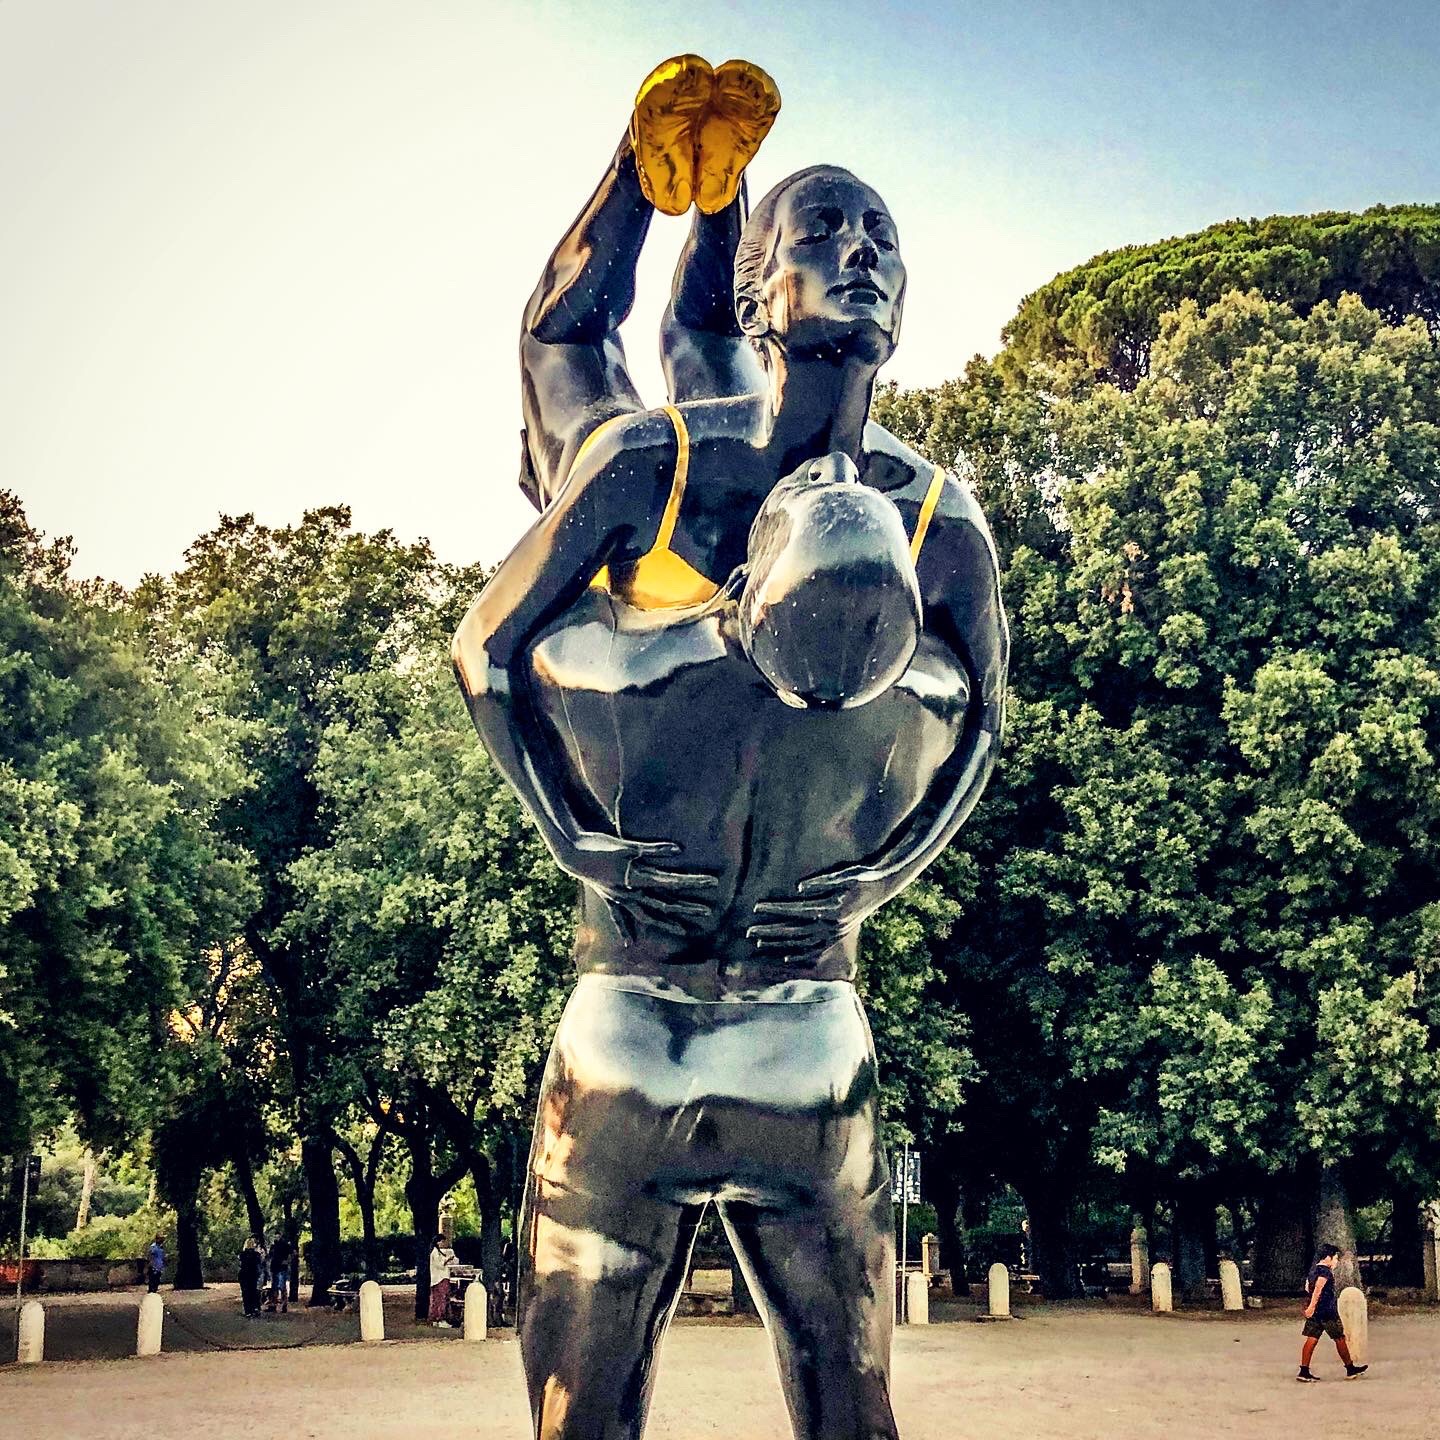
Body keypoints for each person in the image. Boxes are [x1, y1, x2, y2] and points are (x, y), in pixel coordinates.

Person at [453, 54, 1006, 1440]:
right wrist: (573, 837)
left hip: (795, 1028)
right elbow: (484, 638)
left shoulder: (939, 522)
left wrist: (884, 872)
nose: (862, 255)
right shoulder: (653, 463)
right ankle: (685, 177)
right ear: (771, 288)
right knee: (578, 355)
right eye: (825, 233)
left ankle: (706, 185)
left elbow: (993, 720)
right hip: (639, 1026)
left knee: (843, 1408)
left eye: (882, 238)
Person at [1297, 1243, 1368, 1381]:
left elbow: (1307, 1288)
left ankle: (1304, 1370)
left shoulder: (1313, 1271)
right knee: (1339, 1338)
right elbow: (1318, 1289)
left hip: (1316, 1312)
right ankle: (1350, 1368)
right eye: (1335, 1258)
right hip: (1327, 1311)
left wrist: (1310, 1307)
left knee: (1311, 1338)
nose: (1336, 1261)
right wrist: (1312, 1306)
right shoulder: (1325, 1272)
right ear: (1327, 1257)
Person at [429, 1234, 458, 1328]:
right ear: (438, 1242)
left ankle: (436, 1318)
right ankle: (440, 1318)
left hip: (440, 1278)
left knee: (438, 1299)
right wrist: (448, 1259)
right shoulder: (435, 1253)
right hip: (440, 1278)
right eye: (442, 1241)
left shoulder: (439, 1252)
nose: (443, 1243)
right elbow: (440, 1265)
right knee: (442, 1299)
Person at [266, 1232, 292, 1314]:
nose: (276, 1237)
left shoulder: (285, 1245)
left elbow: (291, 1254)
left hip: (281, 1268)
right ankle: (274, 1305)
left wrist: (287, 1261)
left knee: (281, 1286)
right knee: (275, 1287)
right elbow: (270, 1256)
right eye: (275, 1236)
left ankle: (283, 1305)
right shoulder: (274, 1246)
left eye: (277, 1236)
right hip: (275, 1268)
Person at [239, 1237, 264, 1318]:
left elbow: (241, 1264)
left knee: (245, 1293)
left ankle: (247, 1311)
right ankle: (253, 1309)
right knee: (253, 1292)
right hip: (253, 1275)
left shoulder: (242, 1254)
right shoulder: (256, 1255)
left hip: (244, 1275)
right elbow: (259, 1264)